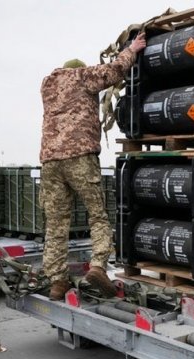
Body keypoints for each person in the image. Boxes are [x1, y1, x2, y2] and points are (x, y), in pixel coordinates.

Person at [40, 33, 146, 301]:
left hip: (50, 161)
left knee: (55, 224)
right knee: (97, 215)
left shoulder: (47, 85)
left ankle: (57, 282)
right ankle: (98, 266)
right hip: (80, 157)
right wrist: (132, 49)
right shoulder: (81, 77)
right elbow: (113, 72)